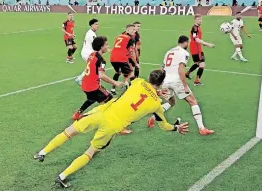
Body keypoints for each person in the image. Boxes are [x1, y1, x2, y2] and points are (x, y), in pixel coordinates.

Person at [34, 70, 189, 188]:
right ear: (161, 84)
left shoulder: (138, 82)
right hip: (113, 125)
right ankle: (62, 176)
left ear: (149, 78)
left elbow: (139, 90)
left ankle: (42, 153)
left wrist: (154, 91)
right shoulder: (156, 105)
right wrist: (176, 127)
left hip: (102, 112)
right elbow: (164, 126)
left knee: (69, 132)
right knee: (91, 151)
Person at [147, 35, 214, 135]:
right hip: (176, 80)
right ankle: (202, 129)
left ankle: (153, 118)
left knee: (171, 102)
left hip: (165, 80)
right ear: (185, 42)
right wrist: (185, 85)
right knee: (193, 101)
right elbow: (181, 69)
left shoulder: (169, 51)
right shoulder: (184, 53)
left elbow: (163, 67)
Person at [71, 36, 124, 120]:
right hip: (93, 87)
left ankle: (77, 114)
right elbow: (101, 75)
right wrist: (115, 82)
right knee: (110, 101)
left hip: (85, 85)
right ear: (101, 46)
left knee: (91, 99)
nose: (108, 46)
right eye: (106, 45)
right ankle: (116, 125)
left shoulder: (92, 55)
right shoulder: (101, 60)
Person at [185, 14, 215, 86]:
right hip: (196, 49)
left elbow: (196, 39)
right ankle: (196, 81)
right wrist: (208, 44)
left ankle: (187, 73)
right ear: (195, 20)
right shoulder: (195, 28)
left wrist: (202, 43)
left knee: (197, 63)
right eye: (198, 19)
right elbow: (196, 39)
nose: (200, 20)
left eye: (201, 19)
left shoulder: (198, 27)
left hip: (197, 48)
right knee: (202, 65)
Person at [110, 24, 135, 95]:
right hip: (122, 58)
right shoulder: (130, 39)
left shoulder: (119, 36)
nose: (134, 31)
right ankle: (128, 89)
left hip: (113, 58)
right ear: (128, 29)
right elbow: (131, 52)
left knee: (118, 72)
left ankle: (113, 89)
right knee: (130, 74)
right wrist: (134, 62)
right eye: (133, 29)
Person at [75, 18, 99, 85]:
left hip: (86, 52)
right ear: (91, 25)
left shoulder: (90, 32)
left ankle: (80, 78)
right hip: (87, 53)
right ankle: (83, 79)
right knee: (93, 67)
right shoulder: (92, 34)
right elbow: (95, 45)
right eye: (96, 24)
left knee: (92, 66)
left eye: (98, 24)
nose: (97, 25)